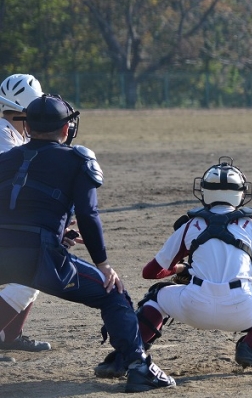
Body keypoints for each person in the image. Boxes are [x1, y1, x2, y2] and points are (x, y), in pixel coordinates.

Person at [0, 95, 175, 393]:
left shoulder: (5, 158)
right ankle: (138, 366)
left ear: (27, 127)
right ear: (65, 128)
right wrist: (103, 264)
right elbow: (88, 214)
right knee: (113, 294)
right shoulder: (77, 159)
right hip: (41, 257)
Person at [96, 156, 252, 375]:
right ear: (240, 192)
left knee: (156, 296)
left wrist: (179, 269)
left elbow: (150, 272)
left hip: (194, 308)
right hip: (242, 310)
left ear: (204, 191)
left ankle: (128, 356)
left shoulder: (191, 225)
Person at [0, 74, 52, 360]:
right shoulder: (3, 138)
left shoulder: (13, 134)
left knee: (36, 267)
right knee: (32, 271)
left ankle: (9, 335)